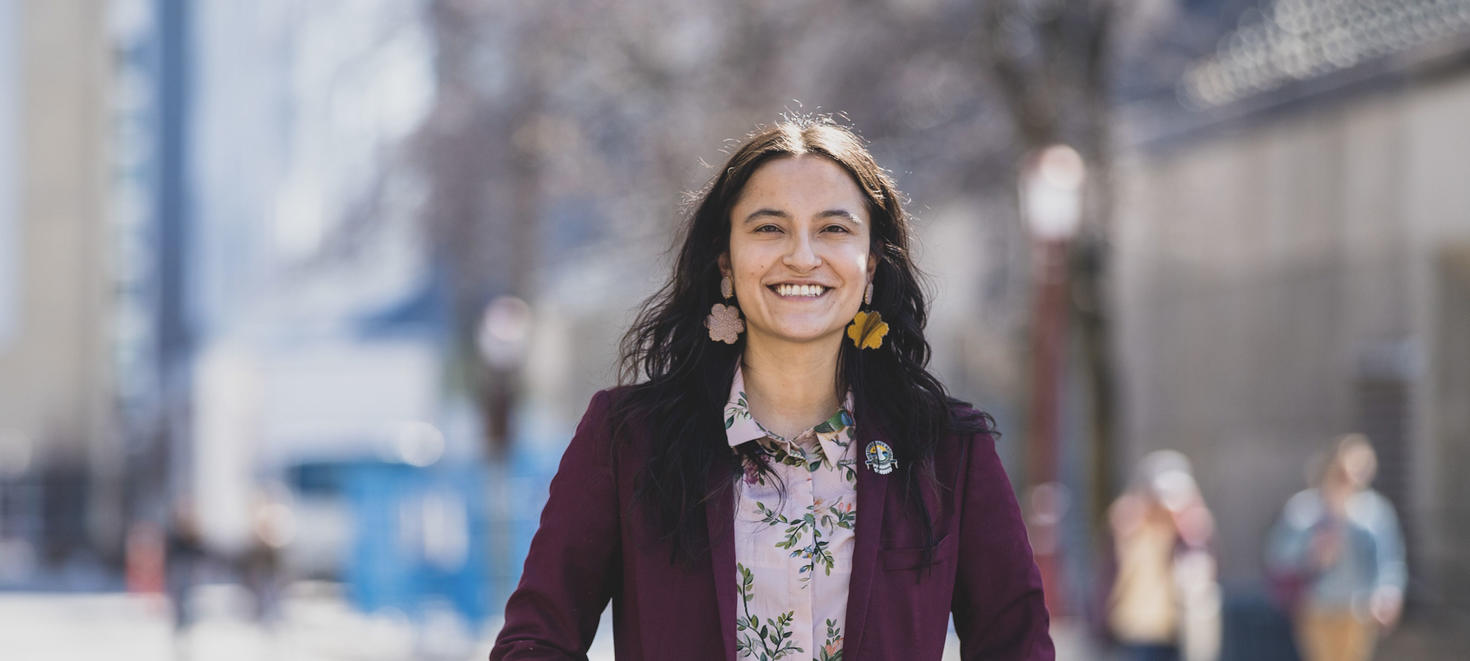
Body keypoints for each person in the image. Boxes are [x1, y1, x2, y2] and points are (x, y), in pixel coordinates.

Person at [490, 117, 1052, 660]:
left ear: (872, 264)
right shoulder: (628, 440)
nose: (802, 256)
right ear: (726, 263)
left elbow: (1017, 645)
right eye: (768, 227)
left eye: (833, 228)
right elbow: (536, 643)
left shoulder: (946, 448)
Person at [1265, 434, 1406, 661]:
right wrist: (1311, 554)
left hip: (1358, 607)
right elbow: (1279, 557)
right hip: (1316, 605)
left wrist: (1388, 594)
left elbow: (1389, 559)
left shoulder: (1374, 512)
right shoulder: (1305, 510)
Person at [1102, 450, 1221, 661]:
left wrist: (1186, 522)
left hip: (1175, 626)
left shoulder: (1189, 528)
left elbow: (1203, 564)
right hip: (1136, 626)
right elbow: (1114, 569)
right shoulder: (1129, 521)